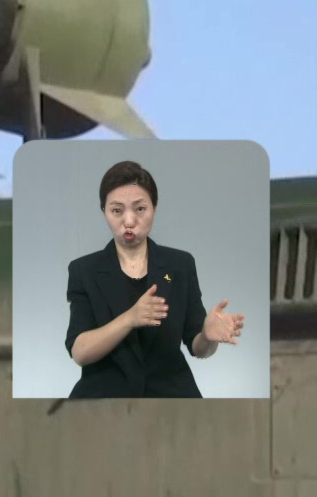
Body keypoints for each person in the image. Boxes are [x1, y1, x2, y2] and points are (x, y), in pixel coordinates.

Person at [63, 160, 245, 398]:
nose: (129, 221)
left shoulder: (180, 265)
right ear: (104, 212)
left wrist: (208, 338)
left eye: (140, 209)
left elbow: (197, 347)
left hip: (172, 396)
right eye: (117, 210)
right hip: (104, 399)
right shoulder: (83, 270)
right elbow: (80, 352)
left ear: (154, 209)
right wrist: (130, 318)